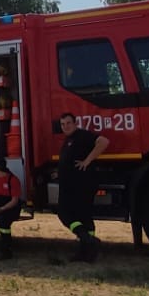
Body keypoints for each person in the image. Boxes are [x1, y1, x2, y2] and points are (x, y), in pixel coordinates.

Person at [56, 112, 108, 262]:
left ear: (75, 123)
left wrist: (87, 161)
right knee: (84, 217)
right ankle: (87, 253)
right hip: (72, 183)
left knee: (65, 214)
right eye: (62, 124)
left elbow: (104, 142)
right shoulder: (69, 139)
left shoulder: (82, 135)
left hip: (79, 183)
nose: (65, 126)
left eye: (68, 123)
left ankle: (88, 240)